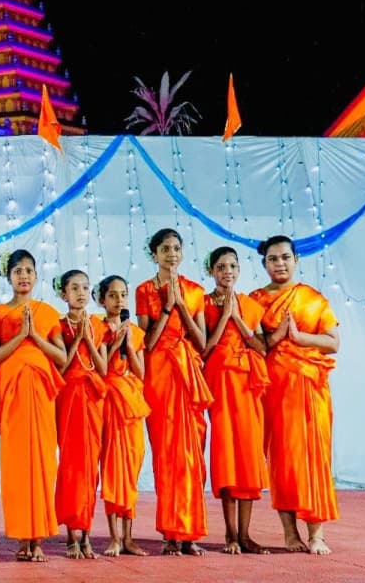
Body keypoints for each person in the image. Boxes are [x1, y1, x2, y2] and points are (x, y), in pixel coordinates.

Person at [249, 235, 340, 555]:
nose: (280, 264)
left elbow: (333, 342)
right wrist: (276, 336)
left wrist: (300, 337)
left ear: (296, 260)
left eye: (285, 257)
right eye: (273, 259)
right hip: (274, 390)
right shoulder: (256, 300)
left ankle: (317, 534)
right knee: (282, 460)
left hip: (310, 389)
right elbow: (255, 345)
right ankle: (290, 533)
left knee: (314, 459)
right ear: (264, 264)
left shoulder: (312, 298)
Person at [0, 249, 67, 563]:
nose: (23, 276)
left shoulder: (47, 312)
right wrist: (21, 335)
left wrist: (35, 335)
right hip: (14, 392)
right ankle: (22, 537)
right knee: (18, 465)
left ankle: (39, 538)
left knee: (43, 462)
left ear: (36, 275)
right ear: (8, 276)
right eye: (18, 271)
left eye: (28, 271)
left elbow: (61, 357)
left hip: (42, 394)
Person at [135, 228, 211, 556]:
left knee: (192, 455)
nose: (171, 254)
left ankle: (190, 532)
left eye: (176, 248)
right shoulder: (144, 290)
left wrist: (181, 304)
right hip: (160, 373)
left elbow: (202, 342)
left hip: (189, 373)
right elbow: (145, 342)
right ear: (154, 254)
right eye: (165, 249)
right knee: (166, 453)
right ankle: (169, 531)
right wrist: (167, 308)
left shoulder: (195, 291)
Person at [201, 247, 271, 554]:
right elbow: (204, 348)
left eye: (232, 266)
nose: (227, 271)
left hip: (247, 384)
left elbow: (261, 347)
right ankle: (230, 534)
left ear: (239, 270)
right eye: (220, 267)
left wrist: (238, 318)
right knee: (226, 453)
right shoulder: (203, 304)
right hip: (220, 381)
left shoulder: (251, 305)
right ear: (211, 271)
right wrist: (224, 316)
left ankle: (245, 534)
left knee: (248, 454)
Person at [52, 269, 108, 559]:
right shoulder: (58, 325)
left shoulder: (98, 325)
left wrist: (88, 337)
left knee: (90, 467)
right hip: (69, 397)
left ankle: (86, 534)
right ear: (64, 294)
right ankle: (71, 536)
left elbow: (103, 367)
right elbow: (60, 367)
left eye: (85, 287)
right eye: (74, 288)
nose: (81, 293)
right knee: (71, 465)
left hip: (93, 398)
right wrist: (78, 340)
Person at [95, 275, 149, 557]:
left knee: (131, 470)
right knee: (113, 469)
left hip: (132, 404)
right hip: (110, 401)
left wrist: (128, 343)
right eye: (113, 295)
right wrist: (116, 344)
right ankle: (114, 537)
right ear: (102, 300)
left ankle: (129, 537)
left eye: (123, 295)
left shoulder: (135, 332)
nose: (119, 300)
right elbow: (101, 369)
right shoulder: (97, 329)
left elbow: (141, 372)